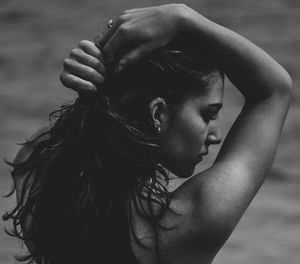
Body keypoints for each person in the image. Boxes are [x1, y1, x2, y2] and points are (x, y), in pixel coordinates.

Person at [3, 4, 292, 264]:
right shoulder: (185, 223)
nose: (215, 134)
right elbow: (273, 91)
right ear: (157, 114)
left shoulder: (40, 180)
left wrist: (92, 89)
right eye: (208, 114)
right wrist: (184, 18)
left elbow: (57, 140)